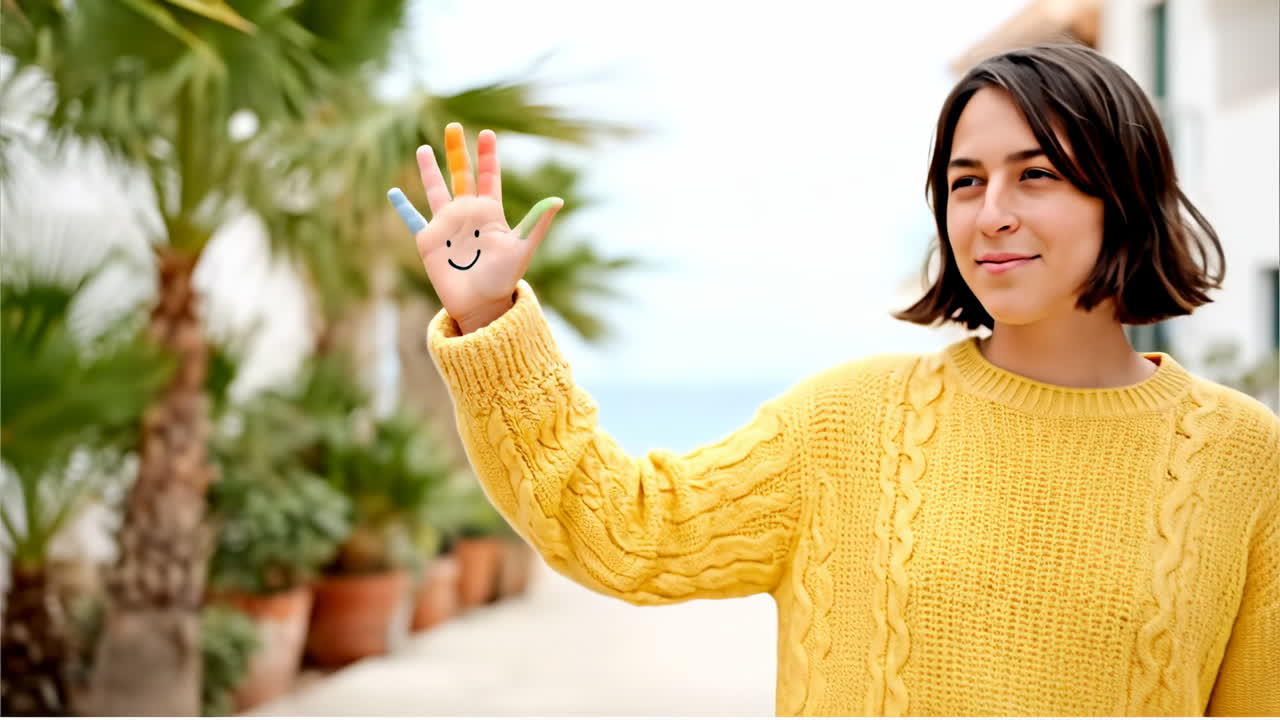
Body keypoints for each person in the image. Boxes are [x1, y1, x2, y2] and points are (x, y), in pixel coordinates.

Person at [387, 43, 1278, 717]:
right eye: (965, 183)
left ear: (1121, 194)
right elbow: (626, 531)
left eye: (1035, 174)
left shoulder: (1245, 458)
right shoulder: (848, 422)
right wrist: (490, 319)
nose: (993, 213)